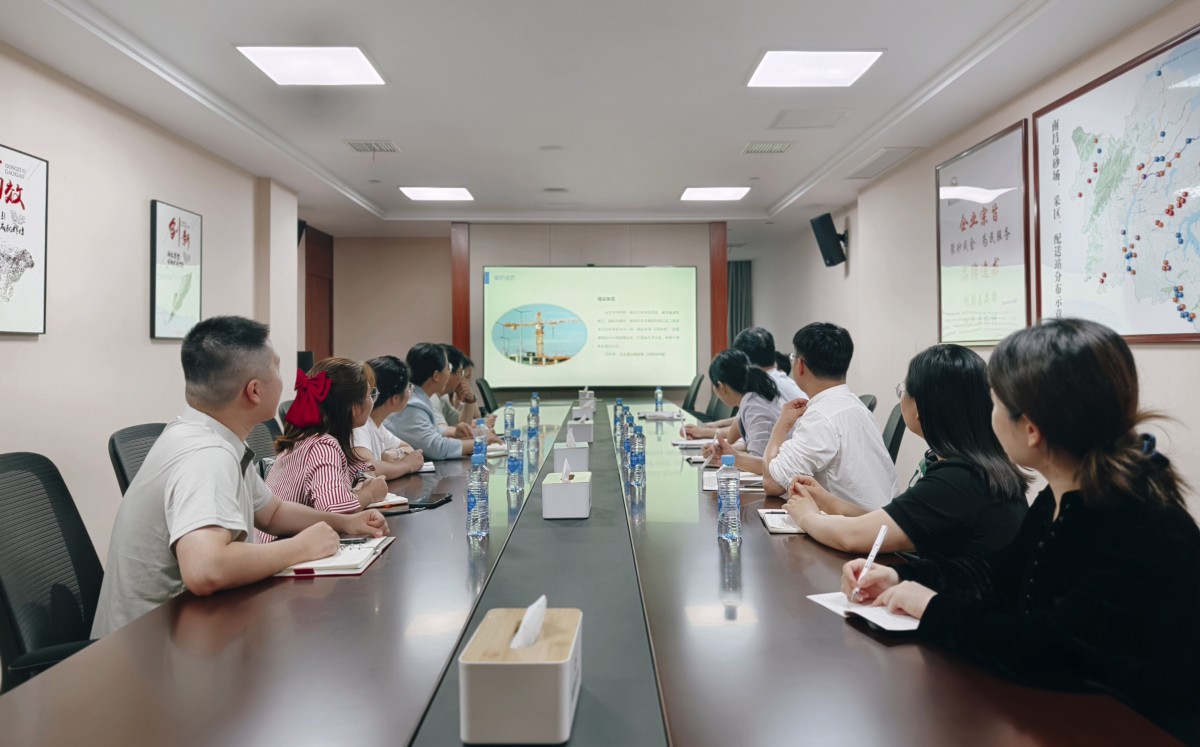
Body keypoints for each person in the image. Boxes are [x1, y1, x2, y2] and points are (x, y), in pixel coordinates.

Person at [844, 319, 1200, 736]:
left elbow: (1044, 648)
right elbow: (997, 574)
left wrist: (932, 608)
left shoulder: (1141, 525)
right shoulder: (1062, 494)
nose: (989, 415)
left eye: (995, 403)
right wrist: (904, 578)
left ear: (1031, 429)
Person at [92, 317, 388, 638]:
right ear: (254, 391)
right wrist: (301, 547)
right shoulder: (207, 454)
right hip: (146, 647)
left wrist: (345, 523)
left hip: (184, 630)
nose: (287, 381)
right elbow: (206, 568)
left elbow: (272, 513)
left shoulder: (208, 435)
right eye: (277, 367)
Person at [783, 344, 1028, 556]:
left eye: (904, 390)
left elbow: (854, 537)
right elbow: (893, 519)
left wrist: (807, 517)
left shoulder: (957, 479)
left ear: (919, 408)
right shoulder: (970, 465)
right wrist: (828, 501)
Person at [761, 322, 897, 505]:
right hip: (885, 516)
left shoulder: (820, 417)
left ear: (800, 365)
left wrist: (781, 426)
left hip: (856, 521)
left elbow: (772, 483)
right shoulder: (856, 405)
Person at [258, 358, 390, 542]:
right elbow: (335, 510)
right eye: (370, 394)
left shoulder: (305, 437)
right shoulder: (323, 445)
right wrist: (370, 494)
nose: (372, 400)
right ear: (354, 409)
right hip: (281, 549)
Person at [686, 326, 805, 440]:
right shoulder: (775, 380)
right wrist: (715, 425)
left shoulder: (763, 388)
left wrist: (704, 431)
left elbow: (739, 431)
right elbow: (742, 422)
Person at [386, 343, 474, 459]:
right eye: (448, 367)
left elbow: (429, 430)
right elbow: (437, 448)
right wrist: (479, 442)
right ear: (436, 376)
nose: (449, 373)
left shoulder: (417, 397)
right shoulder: (412, 405)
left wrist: (453, 433)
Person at [700, 349, 782, 474]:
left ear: (721, 386)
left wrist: (728, 458)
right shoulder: (752, 399)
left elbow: (761, 461)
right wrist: (729, 449)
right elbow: (752, 440)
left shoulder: (754, 407)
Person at [352, 355, 427, 479]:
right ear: (395, 398)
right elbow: (367, 468)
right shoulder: (360, 426)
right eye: (409, 387)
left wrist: (393, 454)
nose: (411, 390)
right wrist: (407, 465)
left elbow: (409, 449)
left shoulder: (377, 425)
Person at [432, 347, 486, 429]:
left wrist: (470, 399)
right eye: (460, 372)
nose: (462, 379)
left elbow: (463, 422)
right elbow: (443, 432)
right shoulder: (432, 397)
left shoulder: (443, 397)